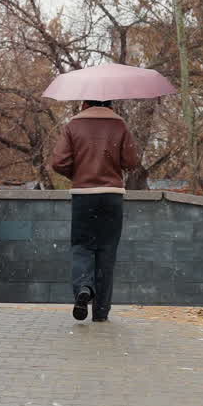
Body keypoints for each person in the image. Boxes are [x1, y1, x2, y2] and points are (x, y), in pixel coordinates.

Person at [49, 99, 140, 322]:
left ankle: (84, 288)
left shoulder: (73, 125)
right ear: (110, 103)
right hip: (112, 196)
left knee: (82, 247)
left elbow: (58, 162)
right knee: (107, 252)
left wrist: (79, 176)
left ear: (84, 103)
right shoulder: (120, 125)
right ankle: (100, 313)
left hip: (83, 197)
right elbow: (132, 161)